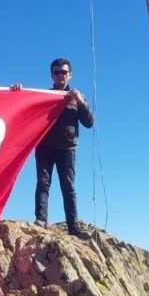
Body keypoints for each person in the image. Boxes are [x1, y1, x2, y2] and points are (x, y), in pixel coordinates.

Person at [34, 58, 94, 238]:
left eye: (64, 72)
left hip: (67, 149)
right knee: (43, 183)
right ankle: (41, 220)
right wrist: (18, 90)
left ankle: (73, 226)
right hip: (44, 147)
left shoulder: (77, 97)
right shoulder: (44, 95)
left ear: (70, 74)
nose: (60, 75)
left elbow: (89, 123)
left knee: (68, 187)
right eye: (56, 72)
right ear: (51, 75)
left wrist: (81, 102)